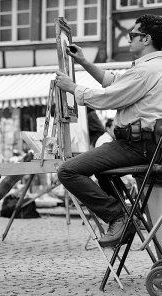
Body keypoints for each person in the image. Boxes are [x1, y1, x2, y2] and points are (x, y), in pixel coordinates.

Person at [55, 14, 162, 247]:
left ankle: (120, 217)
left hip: (138, 146)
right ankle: (123, 217)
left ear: (147, 39)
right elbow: (114, 82)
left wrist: (72, 87)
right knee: (103, 171)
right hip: (147, 145)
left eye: (132, 35)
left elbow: (108, 97)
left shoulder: (146, 71)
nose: (128, 40)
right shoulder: (151, 67)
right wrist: (83, 61)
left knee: (68, 171)